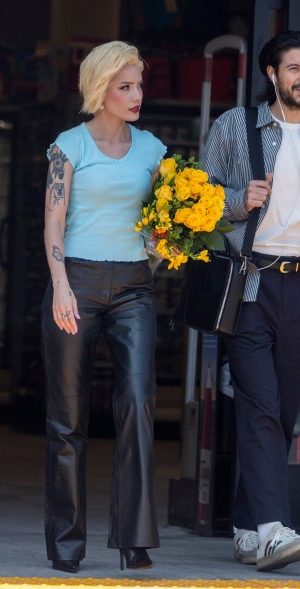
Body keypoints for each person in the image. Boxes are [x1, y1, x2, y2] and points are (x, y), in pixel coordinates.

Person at [41, 40, 167, 574]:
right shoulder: (68, 147)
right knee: (68, 419)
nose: (137, 94)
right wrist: (61, 285)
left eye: (139, 84)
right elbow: (53, 220)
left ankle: (133, 540)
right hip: (78, 284)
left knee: (137, 404)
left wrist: (165, 249)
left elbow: (163, 224)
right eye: (125, 86)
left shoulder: (154, 151)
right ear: (101, 90)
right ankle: (67, 545)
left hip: (135, 288)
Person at [201, 30, 300, 573]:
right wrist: (239, 202)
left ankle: (243, 526)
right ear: (272, 74)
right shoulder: (237, 127)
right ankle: (271, 532)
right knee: (261, 404)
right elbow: (195, 197)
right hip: (252, 282)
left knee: (282, 412)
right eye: (293, 68)